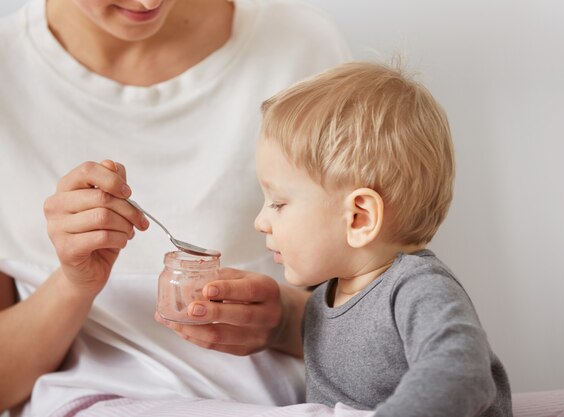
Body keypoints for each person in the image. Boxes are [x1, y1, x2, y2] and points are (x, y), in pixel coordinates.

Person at [0, 0, 353, 415]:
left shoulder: (299, 48)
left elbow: (386, 327)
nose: (148, 3)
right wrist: (74, 283)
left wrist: (286, 322)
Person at [253, 61, 513, 416]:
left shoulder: (417, 289)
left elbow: (463, 375)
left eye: (278, 203)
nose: (260, 221)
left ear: (360, 217)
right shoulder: (321, 302)